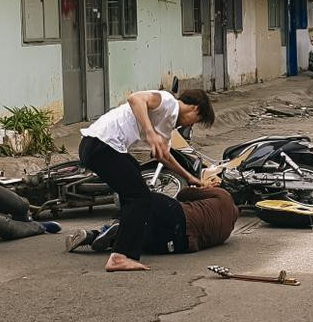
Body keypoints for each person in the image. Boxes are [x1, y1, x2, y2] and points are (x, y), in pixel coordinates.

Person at [78, 89, 215, 271]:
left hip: (103, 147)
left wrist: (191, 178)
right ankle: (120, 256)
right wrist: (150, 132)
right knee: (139, 197)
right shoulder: (168, 101)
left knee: (136, 191)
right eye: (196, 122)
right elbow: (135, 98)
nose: (191, 125)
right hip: (101, 144)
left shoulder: (167, 126)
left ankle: (121, 246)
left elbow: (164, 156)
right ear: (195, 109)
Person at [65, 187, 239, 256]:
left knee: (138, 197)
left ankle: (103, 230)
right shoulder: (227, 232)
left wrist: (202, 184)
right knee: (139, 237)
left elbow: (184, 194)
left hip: (181, 216)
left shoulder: (223, 195)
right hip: (181, 245)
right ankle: (96, 237)